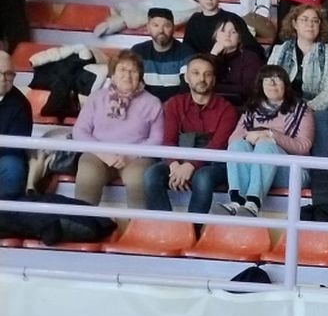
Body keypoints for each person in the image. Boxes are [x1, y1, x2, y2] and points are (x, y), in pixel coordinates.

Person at [270, 4, 328, 215]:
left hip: (321, 110)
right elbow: (268, 83)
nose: (310, 24)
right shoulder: (279, 50)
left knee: (318, 121)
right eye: (304, 19)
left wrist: (304, 110)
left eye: (315, 20)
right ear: (294, 23)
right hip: (284, 107)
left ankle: (321, 192)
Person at [71, 51, 164, 215]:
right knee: (87, 174)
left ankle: (135, 230)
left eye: (133, 71)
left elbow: (157, 139)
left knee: (137, 180)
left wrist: (129, 155)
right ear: (112, 75)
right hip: (99, 154)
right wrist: (104, 154)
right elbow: (79, 131)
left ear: (140, 76)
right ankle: (83, 226)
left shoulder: (152, 102)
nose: (127, 75)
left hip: (136, 157)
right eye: (122, 70)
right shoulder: (96, 98)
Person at [146, 54, 237, 216]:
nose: (202, 78)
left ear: (214, 80)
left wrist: (190, 165)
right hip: (179, 156)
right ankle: (165, 228)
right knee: (151, 176)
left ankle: (193, 231)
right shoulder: (175, 103)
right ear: (187, 78)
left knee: (202, 179)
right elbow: (168, 140)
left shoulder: (227, 109)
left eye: (207, 74)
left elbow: (217, 145)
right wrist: (174, 165)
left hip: (213, 163)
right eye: (195, 73)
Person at [222, 66, 314, 218]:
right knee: (238, 145)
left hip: (293, 172)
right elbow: (233, 139)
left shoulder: (302, 110)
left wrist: (271, 135)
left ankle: (253, 203)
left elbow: (303, 146)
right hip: (256, 169)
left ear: (286, 84)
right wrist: (252, 136)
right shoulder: (252, 110)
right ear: (261, 85)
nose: (272, 83)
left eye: (277, 79)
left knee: (266, 144)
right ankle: (237, 201)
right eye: (267, 80)